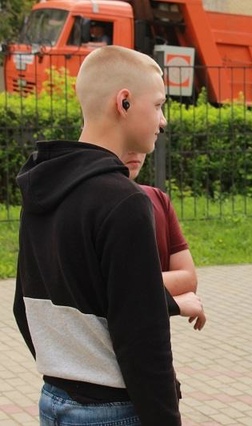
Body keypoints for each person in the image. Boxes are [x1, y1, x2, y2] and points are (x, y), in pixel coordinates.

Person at [13, 46, 180, 425]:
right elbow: (142, 338)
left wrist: (66, 366)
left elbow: (24, 306)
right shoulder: (125, 202)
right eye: (157, 105)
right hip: (112, 410)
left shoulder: (41, 187)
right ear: (123, 102)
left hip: (54, 399)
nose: (163, 120)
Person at [121, 151, 206, 330]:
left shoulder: (157, 198)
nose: (135, 152)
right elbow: (103, 289)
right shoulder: (89, 202)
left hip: (152, 340)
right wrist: (169, 301)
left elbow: (189, 280)